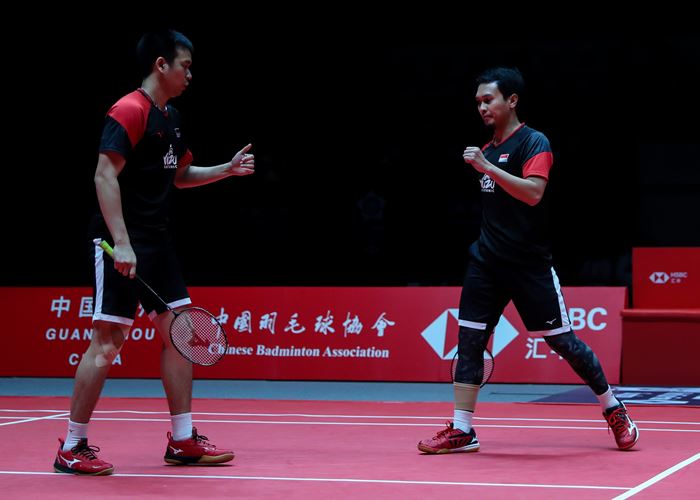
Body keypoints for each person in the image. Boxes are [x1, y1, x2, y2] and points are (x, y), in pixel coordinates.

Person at [54, 29, 255, 475]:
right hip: (118, 240)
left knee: (182, 336)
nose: (190, 74)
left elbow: (181, 176)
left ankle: (182, 439)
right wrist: (121, 242)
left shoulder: (171, 117)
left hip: (158, 243)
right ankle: (72, 445)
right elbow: (104, 176)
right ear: (161, 65)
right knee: (106, 345)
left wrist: (226, 169)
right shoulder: (129, 110)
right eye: (185, 65)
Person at [417, 67, 638, 454]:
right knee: (468, 342)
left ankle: (612, 408)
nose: (482, 107)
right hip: (485, 262)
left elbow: (534, 193)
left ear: (511, 100)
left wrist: (488, 168)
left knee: (563, 342)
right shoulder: (486, 149)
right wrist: (487, 165)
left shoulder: (534, 143)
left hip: (529, 265)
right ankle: (464, 429)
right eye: (478, 102)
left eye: (489, 100)